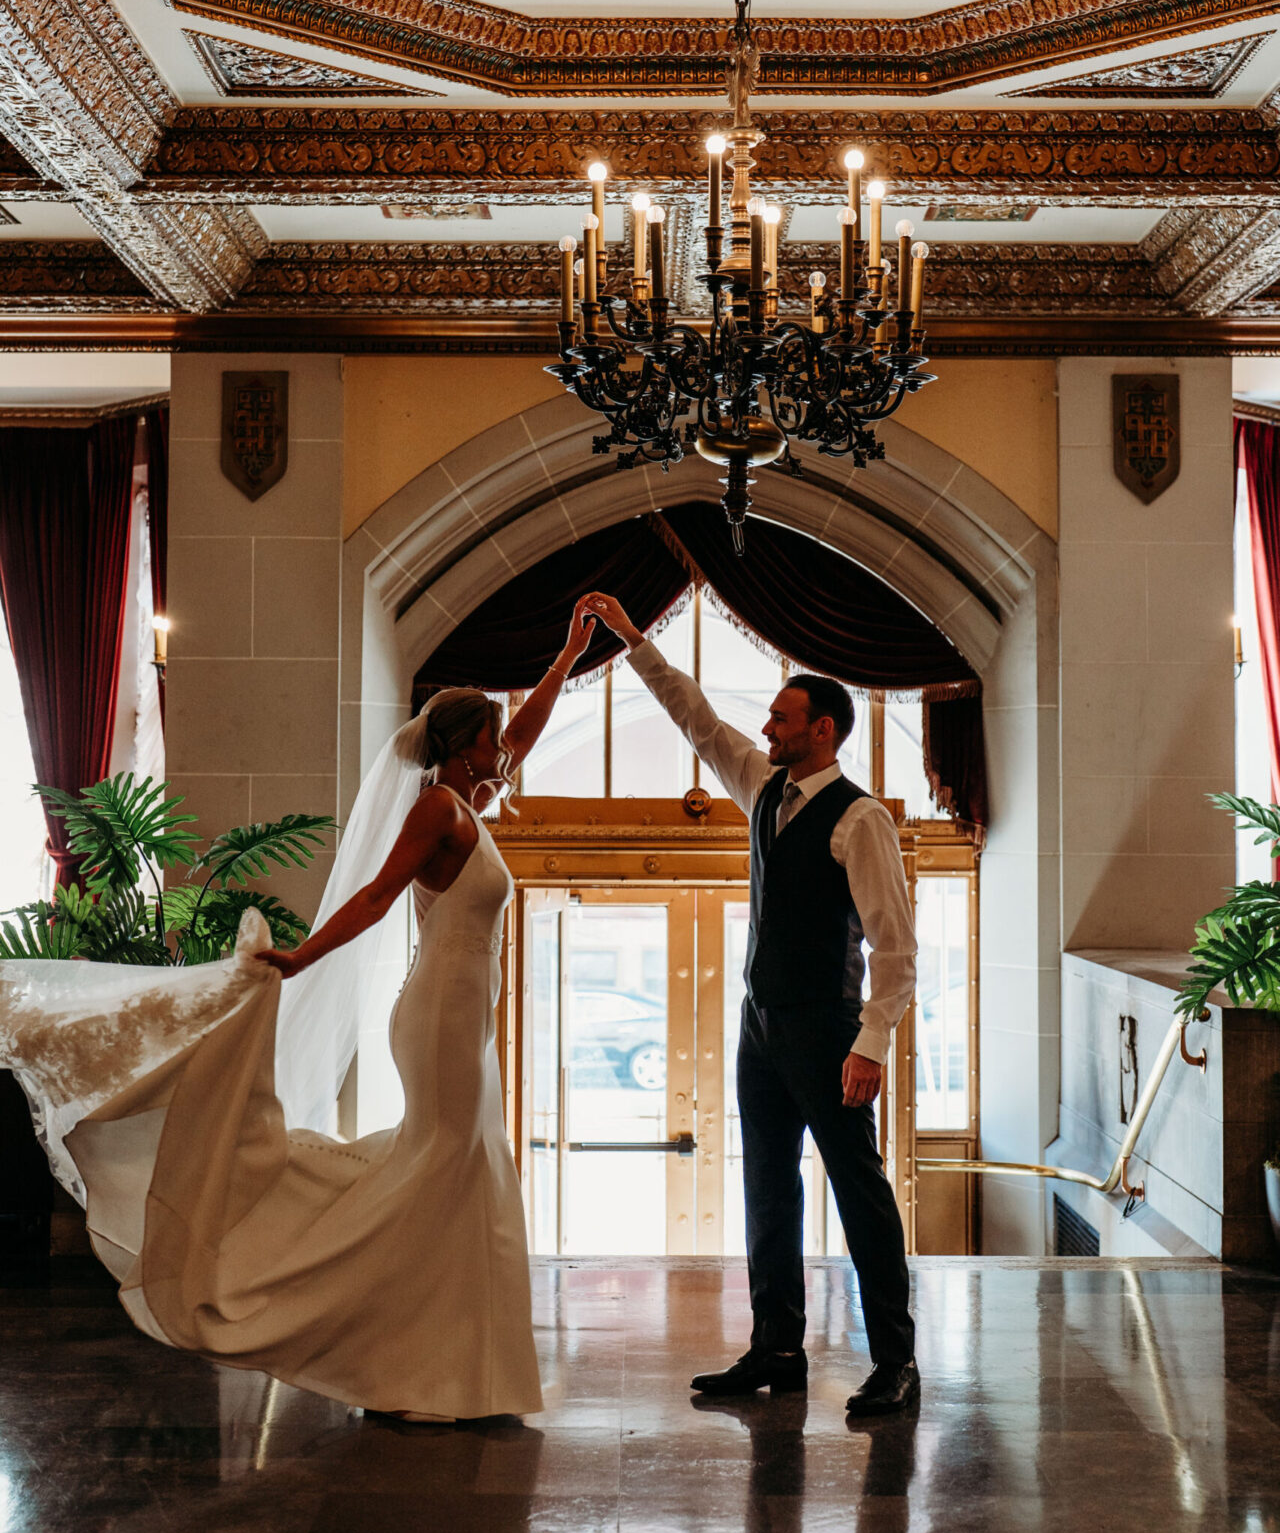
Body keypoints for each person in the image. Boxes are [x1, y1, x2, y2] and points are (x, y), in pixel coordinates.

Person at [0, 606, 599, 1424]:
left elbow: (522, 736)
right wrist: (303, 957)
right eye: (493, 742)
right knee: (446, 1167)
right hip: (439, 1021)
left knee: (462, 1171)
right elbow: (378, 897)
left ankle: (444, 1367)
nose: (506, 753)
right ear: (466, 749)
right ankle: (377, 1343)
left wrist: (566, 655)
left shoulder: (472, 798)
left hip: (468, 1020)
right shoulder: (441, 812)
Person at [582, 591, 919, 1417]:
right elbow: (695, 717)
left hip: (829, 1031)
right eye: (768, 720)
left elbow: (898, 947)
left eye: (781, 719)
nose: (766, 730)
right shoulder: (763, 789)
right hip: (761, 1029)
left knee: (858, 1192)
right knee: (768, 1189)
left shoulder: (860, 818)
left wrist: (871, 1044)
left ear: (823, 731)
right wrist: (634, 642)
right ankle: (777, 1347)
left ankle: (897, 1363)